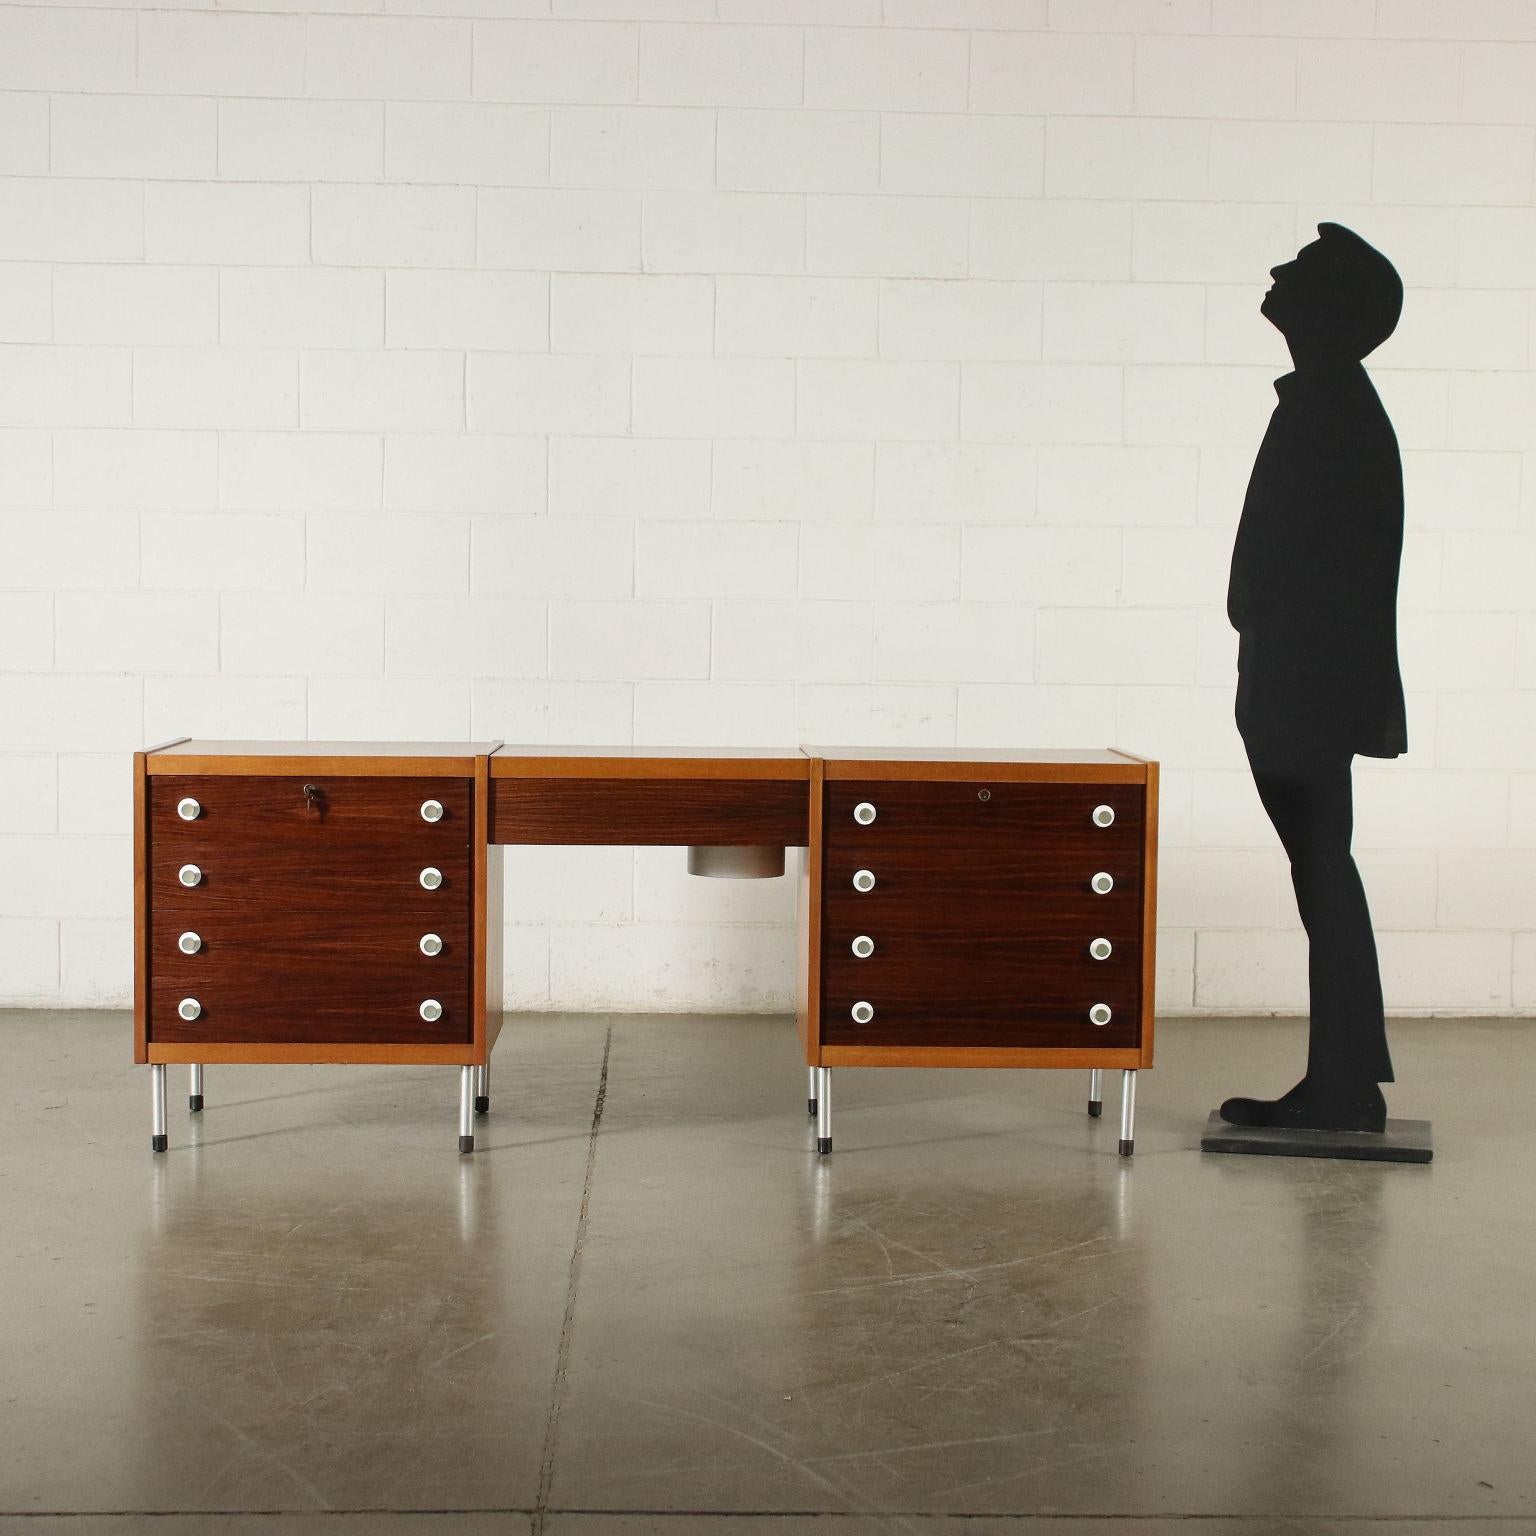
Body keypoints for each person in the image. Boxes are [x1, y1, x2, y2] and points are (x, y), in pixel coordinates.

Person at [1219, 223, 1406, 1134]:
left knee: (1323, 868)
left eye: (1298, 269)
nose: (1275, 270)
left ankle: (1342, 1085)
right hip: (1302, 684)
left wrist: (1268, 643)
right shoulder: (1331, 401)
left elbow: (1320, 571)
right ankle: (1345, 1079)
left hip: (1304, 689)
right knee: (1323, 869)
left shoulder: (1331, 407)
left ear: (1326, 308)